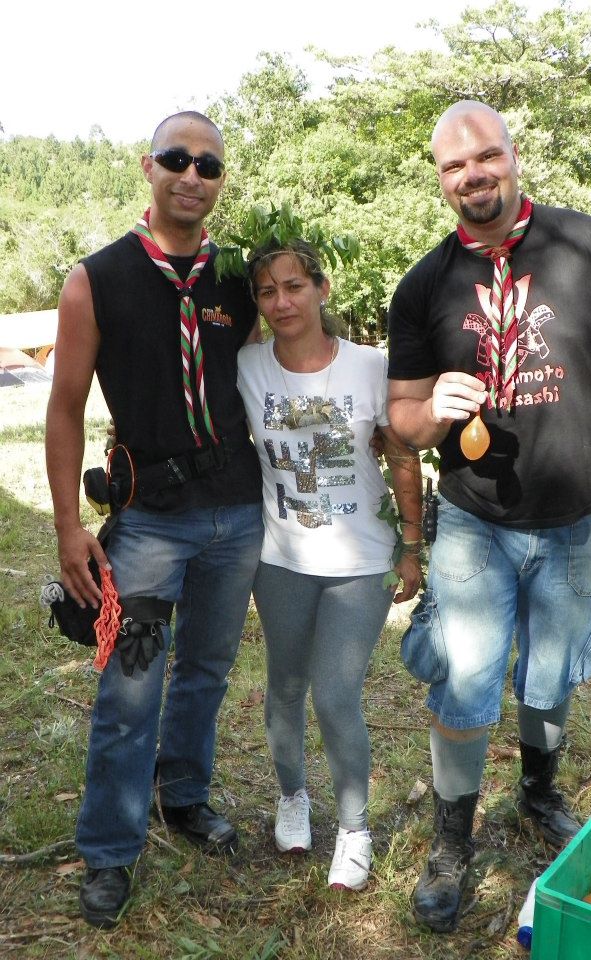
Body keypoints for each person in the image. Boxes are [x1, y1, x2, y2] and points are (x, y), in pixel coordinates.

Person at [386, 100, 591, 933]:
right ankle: (452, 841)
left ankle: (539, 792)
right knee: (465, 681)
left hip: (577, 521)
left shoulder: (590, 245)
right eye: (454, 165)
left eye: (486, 156)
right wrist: (431, 412)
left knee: (550, 675)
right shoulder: (424, 284)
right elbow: (401, 421)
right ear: (440, 179)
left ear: (513, 155)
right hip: (475, 525)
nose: (473, 174)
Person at [45, 111, 264, 928]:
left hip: (237, 513)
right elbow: (64, 408)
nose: (192, 175)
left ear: (220, 179)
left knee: (205, 671)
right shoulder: (96, 279)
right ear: (149, 167)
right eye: (177, 159)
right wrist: (68, 526)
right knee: (130, 685)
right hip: (149, 521)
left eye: (208, 165)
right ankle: (109, 849)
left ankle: (185, 796)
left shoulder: (239, 280)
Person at [235, 236, 423, 891]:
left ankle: (354, 829)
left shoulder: (370, 366)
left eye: (294, 286)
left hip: (361, 559)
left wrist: (412, 546)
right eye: (267, 291)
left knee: (336, 693)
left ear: (322, 288)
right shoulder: (247, 366)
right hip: (281, 557)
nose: (281, 302)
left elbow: (401, 455)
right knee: (285, 686)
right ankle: (292, 797)